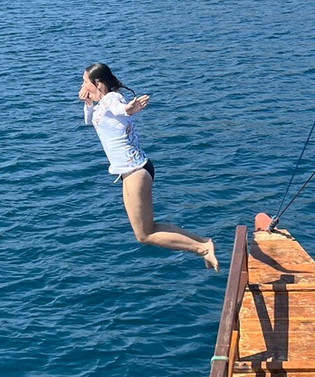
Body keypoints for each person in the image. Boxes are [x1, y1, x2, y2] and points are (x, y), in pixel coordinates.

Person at [79, 63, 218, 271]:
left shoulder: (112, 99)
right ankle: (204, 242)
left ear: (98, 83)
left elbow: (121, 109)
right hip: (131, 171)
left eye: (85, 82)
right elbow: (90, 121)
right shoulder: (101, 105)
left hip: (135, 172)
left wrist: (129, 109)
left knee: (145, 235)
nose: (82, 85)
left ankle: (202, 249)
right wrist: (88, 103)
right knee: (148, 229)